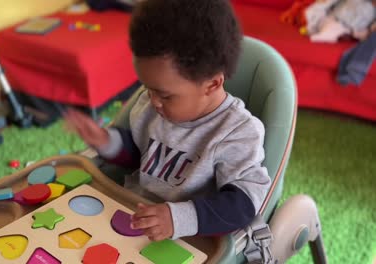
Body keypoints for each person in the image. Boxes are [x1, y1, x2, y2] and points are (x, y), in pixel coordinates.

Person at [65, 0, 271, 241]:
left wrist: (178, 219)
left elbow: (244, 203)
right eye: (147, 88)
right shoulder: (154, 107)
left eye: (164, 94)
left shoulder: (236, 132)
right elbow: (141, 155)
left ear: (212, 84)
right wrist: (107, 142)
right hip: (131, 216)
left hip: (191, 239)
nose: (152, 101)